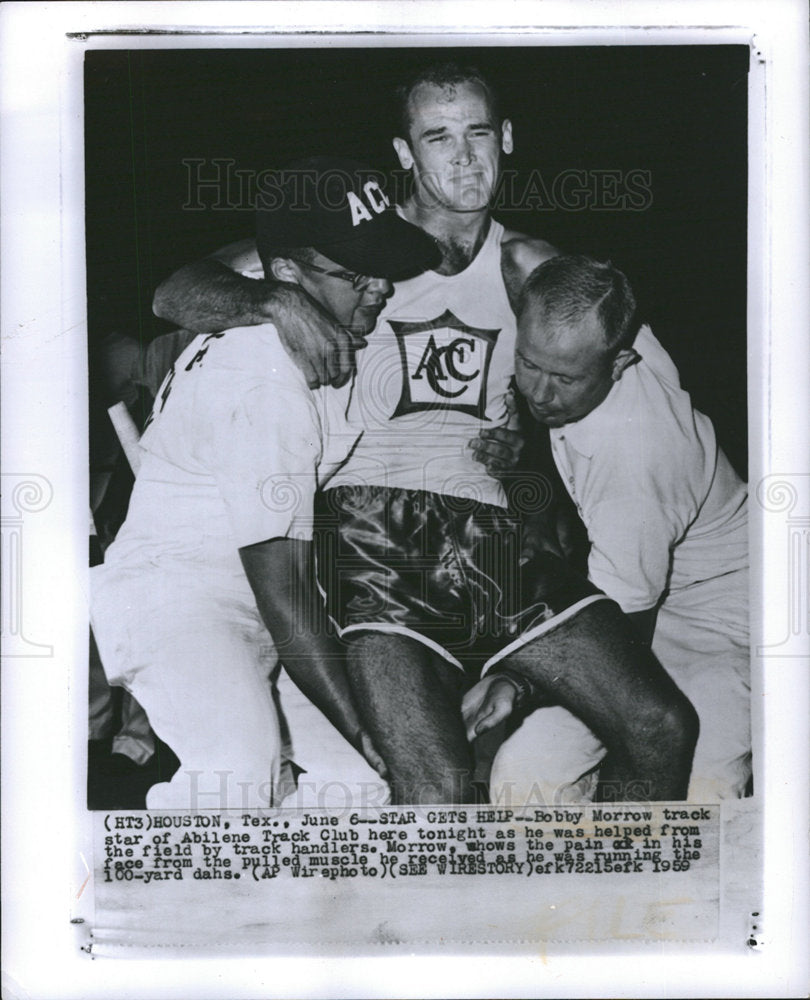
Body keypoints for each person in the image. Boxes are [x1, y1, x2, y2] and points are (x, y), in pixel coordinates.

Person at [153, 63, 698, 804]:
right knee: (433, 787)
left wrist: (536, 456)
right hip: (368, 532)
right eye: (437, 137)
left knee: (660, 724)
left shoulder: (531, 267)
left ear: (506, 139)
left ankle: (629, 913)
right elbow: (172, 294)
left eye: (478, 132)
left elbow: (621, 378)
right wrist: (276, 299)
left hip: (491, 539)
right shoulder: (359, 243)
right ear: (406, 153)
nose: (464, 156)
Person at [91, 156, 438, 809]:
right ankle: (138, 897)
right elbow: (285, 600)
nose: (380, 288)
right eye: (357, 273)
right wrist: (367, 729)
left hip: (256, 590)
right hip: (176, 599)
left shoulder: (273, 269)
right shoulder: (266, 380)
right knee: (238, 774)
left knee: (365, 794)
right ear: (284, 274)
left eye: (381, 264)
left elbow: (186, 284)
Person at [467, 255, 750, 803]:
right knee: (523, 778)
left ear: (621, 362)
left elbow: (626, 666)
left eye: (565, 378)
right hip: (641, 590)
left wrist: (518, 680)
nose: (541, 394)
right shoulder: (597, 325)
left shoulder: (634, 468)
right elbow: (532, 265)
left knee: (701, 799)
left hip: (727, 619)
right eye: (529, 365)